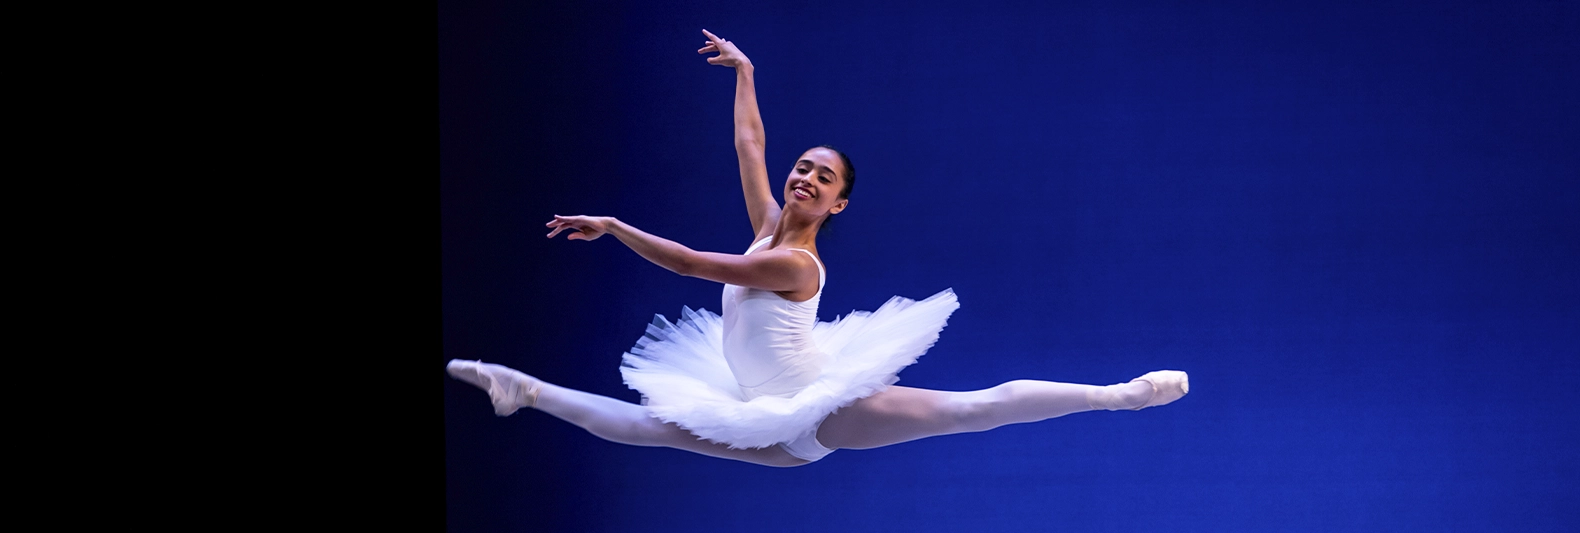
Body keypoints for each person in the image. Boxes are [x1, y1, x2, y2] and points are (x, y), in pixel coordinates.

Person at [446, 29, 1188, 468]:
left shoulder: (793, 262)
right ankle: (523, 388)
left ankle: (1117, 394)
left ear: (838, 203)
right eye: (802, 167)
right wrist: (747, 74)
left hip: (814, 411)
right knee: (645, 428)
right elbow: (749, 143)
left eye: (822, 176)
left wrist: (613, 226)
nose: (802, 177)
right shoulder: (770, 220)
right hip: (754, 408)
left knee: (969, 408)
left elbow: (688, 262)